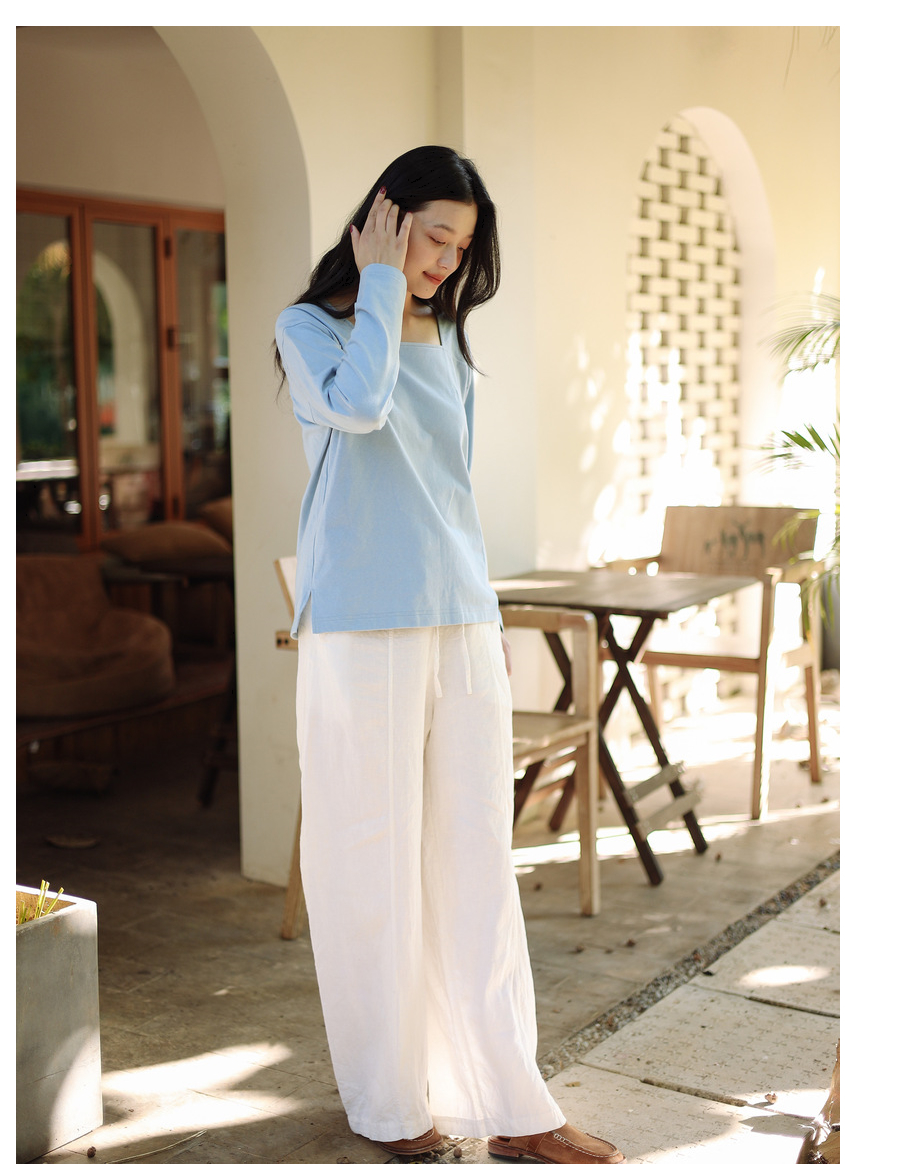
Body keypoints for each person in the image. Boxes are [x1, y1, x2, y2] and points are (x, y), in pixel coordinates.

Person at [274, 146, 625, 1164]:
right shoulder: (311, 328)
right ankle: (390, 1104)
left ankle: (517, 1107)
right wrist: (382, 285)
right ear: (385, 220)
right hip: (361, 622)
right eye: (434, 236)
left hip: (460, 616)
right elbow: (361, 407)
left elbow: (450, 486)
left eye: (461, 247)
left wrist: (482, 609)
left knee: (477, 860)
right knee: (370, 862)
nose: (445, 261)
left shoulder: (451, 331)